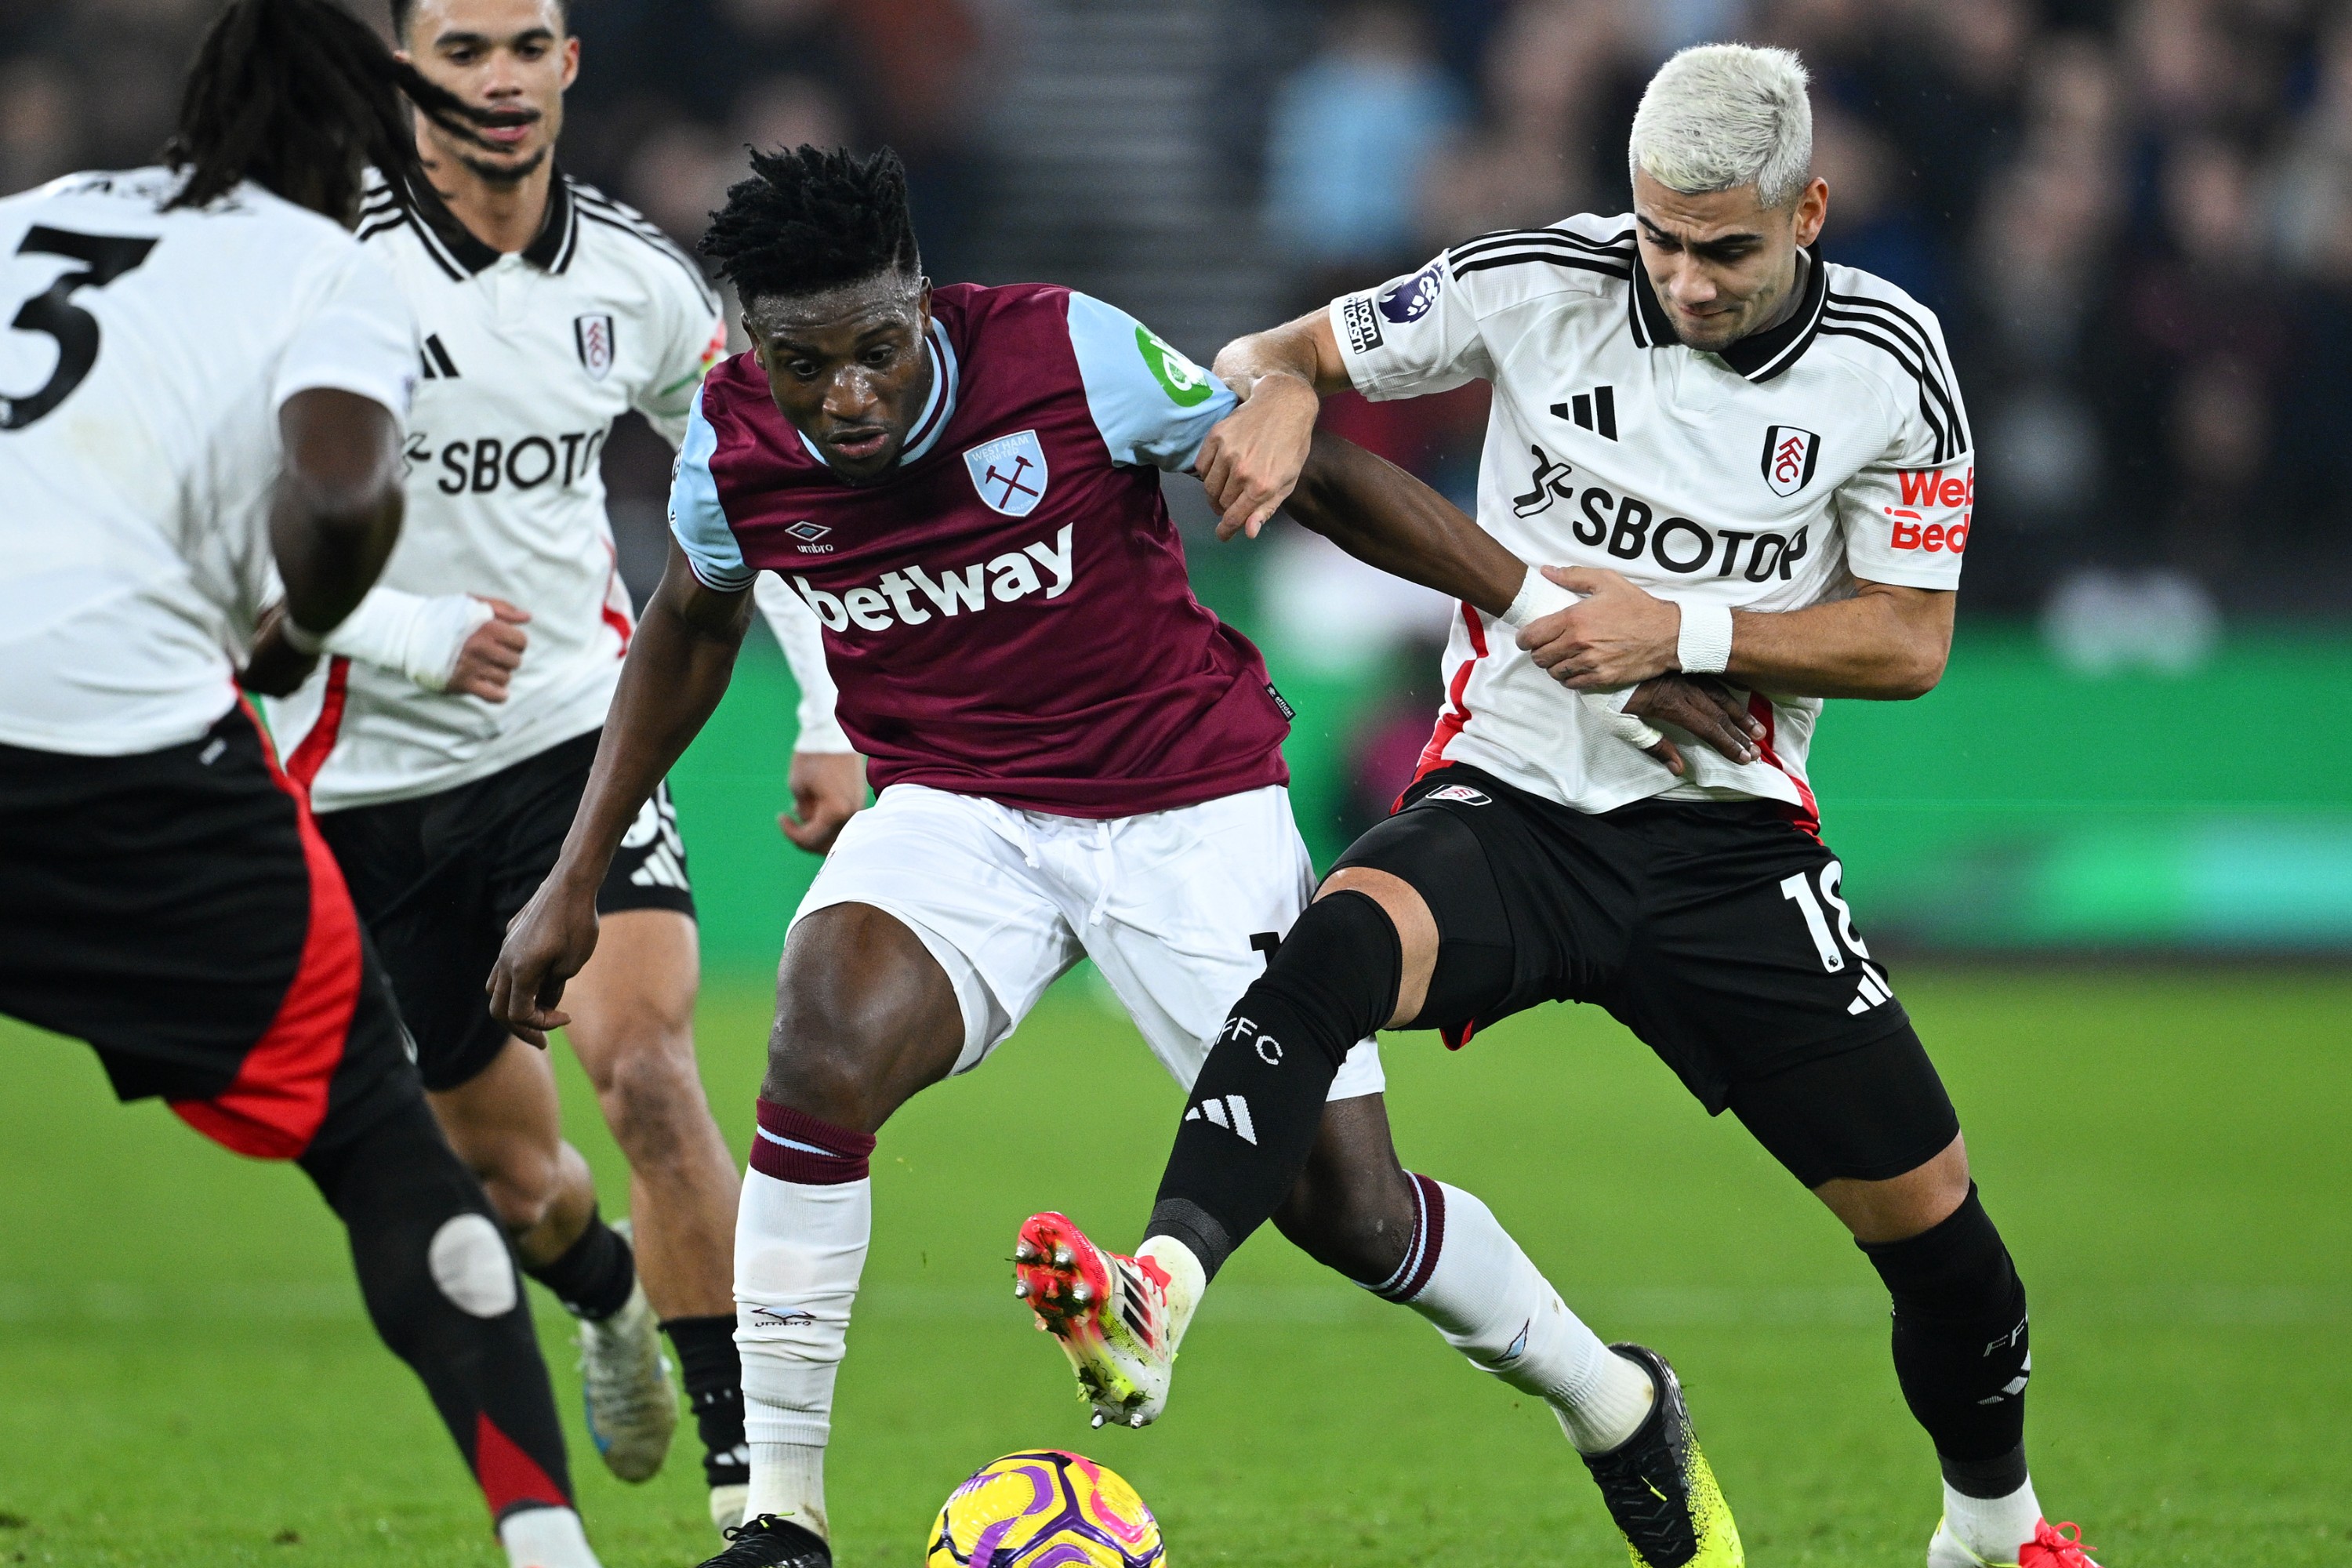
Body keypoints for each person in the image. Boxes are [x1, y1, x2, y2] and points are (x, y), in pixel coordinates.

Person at [484, 145, 1762, 1568]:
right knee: (818, 1034)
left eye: (878, 349)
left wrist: (1532, 607)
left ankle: (1618, 1403)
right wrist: (575, 871)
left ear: (925, 300)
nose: (846, 393)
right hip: (958, 808)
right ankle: (782, 1517)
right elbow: (689, 626)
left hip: (1187, 803)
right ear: (753, 347)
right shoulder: (734, 445)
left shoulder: (1064, 351)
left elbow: (1310, 474)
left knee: (1349, 1209)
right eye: (803, 363)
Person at [1017, 43, 2103, 1568]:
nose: (1683, 277)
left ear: (1808, 214)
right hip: (1510, 802)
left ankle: (1995, 1530)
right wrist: (1269, 393)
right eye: (1660, 236)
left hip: (1727, 839)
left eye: (1723, 247)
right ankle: (1162, 1294)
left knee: (1946, 1244)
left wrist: (1684, 632)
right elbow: (1280, 349)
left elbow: (1909, 638)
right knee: (1327, 953)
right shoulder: (1535, 278)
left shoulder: (1891, 362)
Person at [0, 3, 604, 1565]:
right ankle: (544, 1537)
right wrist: (307, 627)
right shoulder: (335, 268)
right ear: (361, 145)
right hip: (107, 758)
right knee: (376, 1137)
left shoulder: (39, 215)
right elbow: (340, 488)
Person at [260, 0, 852, 1530]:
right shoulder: (326, 274)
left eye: (527, 44)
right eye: (464, 51)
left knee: (651, 1073)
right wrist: (399, 633)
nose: (503, 78)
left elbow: (762, 489)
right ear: (408, 75)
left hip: (574, 748)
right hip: (369, 788)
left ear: (570, 65)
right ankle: (604, 1303)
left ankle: (754, 1510)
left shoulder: (639, 282)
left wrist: (825, 709)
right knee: (523, 1183)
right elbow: (217, 544)